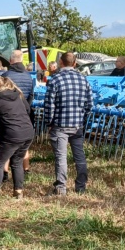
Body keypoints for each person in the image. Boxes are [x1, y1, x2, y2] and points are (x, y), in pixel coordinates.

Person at [44, 52, 92, 195]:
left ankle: (61, 188)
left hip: (60, 125)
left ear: (60, 62)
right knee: (79, 156)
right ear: (75, 63)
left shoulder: (54, 80)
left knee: (61, 157)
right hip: (77, 125)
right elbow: (90, 104)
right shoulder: (83, 79)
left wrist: (49, 122)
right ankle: (81, 186)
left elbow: (49, 105)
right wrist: (82, 119)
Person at [0, 77, 35, 199]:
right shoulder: (17, 95)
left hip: (11, 134)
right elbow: (28, 109)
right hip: (27, 132)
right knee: (17, 162)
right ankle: (18, 191)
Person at [2, 49, 35, 172]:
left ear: (11, 60)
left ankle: (5, 171)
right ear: (21, 60)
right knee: (24, 144)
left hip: (9, 113)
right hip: (25, 114)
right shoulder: (28, 76)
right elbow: (31, 95)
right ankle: (26, 168)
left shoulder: (6, 76)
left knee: (7, 143)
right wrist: (26, 108)